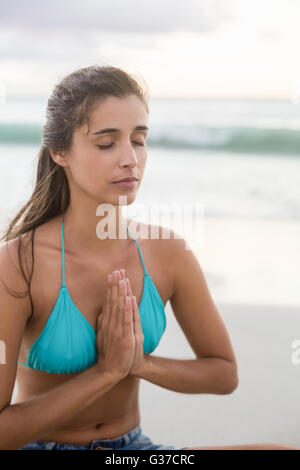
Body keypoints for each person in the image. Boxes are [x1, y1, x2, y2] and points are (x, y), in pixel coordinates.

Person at [0, 65, 296, 450]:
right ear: (60, 152)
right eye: (107, 144)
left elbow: (223, 373)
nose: (129, 159)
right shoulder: (18, 265)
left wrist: (141, 365)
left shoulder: (169, 252)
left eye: (138, 140)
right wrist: (106, 373)